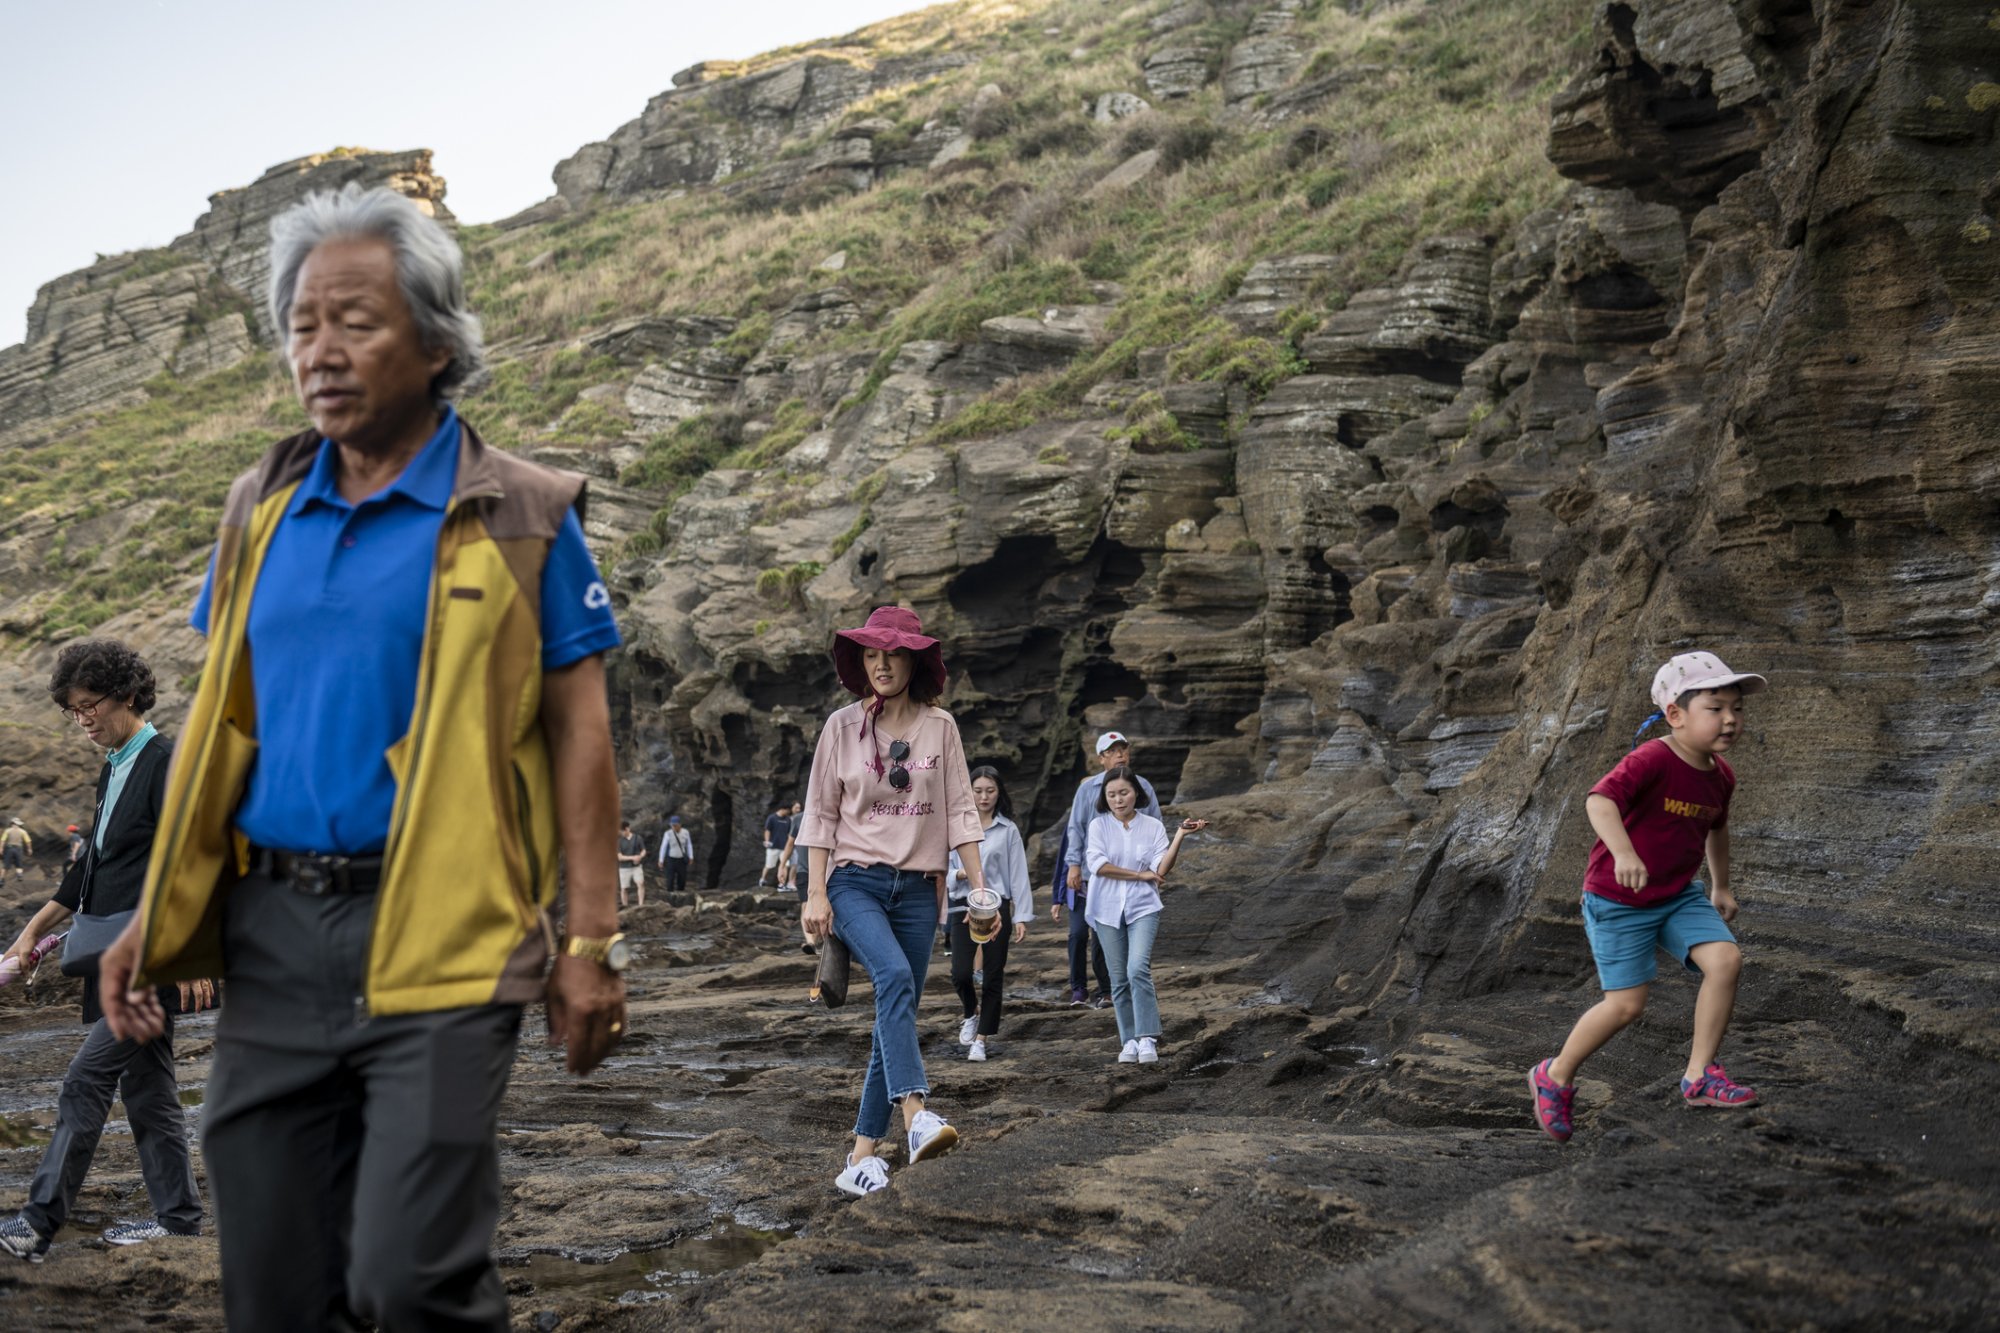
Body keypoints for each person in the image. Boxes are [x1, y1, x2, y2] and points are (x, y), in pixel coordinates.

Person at [94, 183, 628, 1331]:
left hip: (448, 932)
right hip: (272, 936)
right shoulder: (259, 509)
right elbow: (228, 720)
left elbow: (581, 731)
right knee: (274, 1293)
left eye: (356, 322)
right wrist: (156, 913)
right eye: (302, 325)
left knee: (410, 1280)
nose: (321, 352)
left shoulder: (525, 515)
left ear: (436, 344)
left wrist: (590, 942)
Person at [0, 639, 212, 1263]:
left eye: (90, 705)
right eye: (73, 710)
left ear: (126, 695)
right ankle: (178, 1220)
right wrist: (31, 931)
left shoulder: (165, 760)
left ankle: (36, 1223)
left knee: (84, 1082)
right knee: (148, 1093)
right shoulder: (114, 764)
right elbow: (90, 868)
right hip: (112, 954)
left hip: (151, 957)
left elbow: (199, 861)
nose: (82, 718)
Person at [1530, 653, 1767, 1142]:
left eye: (1737, 709)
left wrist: (1721, 884)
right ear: (1675, 715)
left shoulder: (1721, 775)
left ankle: (1699, 1075)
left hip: (1678, 895)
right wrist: (1623, 852)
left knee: (1725, 961)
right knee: (1626, 1005)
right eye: (1715, 707)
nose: (1730, 720)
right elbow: (1599, 801)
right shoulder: (1652, 759)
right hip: (1619, 897)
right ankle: (1554, 1075)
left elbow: (1716, 830)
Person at [797, 606, 983, 1197]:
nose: (881, 664)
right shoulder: (840, 727)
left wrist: (979, 890)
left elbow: (960, 810)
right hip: (855, 883)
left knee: (891, 1015)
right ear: (861, 662)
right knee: (896, 978)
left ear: (913, 661)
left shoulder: (940, 727)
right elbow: (821, 814)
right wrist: (816, 892)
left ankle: (859, 1159)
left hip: (920, 893)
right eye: (871, 654)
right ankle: (916, 1118)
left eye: (893, 654)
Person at [1085, 765, 1206, 1065]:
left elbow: (1161, 868)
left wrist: (1179, 835)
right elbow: (1098, 866)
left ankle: (1147, 1037)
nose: (1117, 799)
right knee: (1118, 978)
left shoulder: (1151, 826)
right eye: (1111, 794)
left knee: (1137, 968)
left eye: (1123, 793)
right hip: (1106, 909)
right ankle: (1129, 1041)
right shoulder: (1098, 826)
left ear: (1136, 793)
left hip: (1143, 907)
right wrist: (1139, 876)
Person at [1063, 732, 1159, 1005]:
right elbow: (1076, 828)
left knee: (1131, 930)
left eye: (1122, 749)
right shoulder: (1088, 790)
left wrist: (1156, 867)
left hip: (1136, 876)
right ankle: (1108, 989)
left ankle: (1125, 989)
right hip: (1097, 874)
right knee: (1097, 930)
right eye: (1112, 751)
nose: (1119, 755)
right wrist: (1073, 866)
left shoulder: (1143, 787)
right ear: (1101, 758)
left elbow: (1155, 826)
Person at [946, 766, 1031, 1062]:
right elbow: (940, 866)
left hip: (997, 907)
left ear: (999, 793)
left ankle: (981, 1040)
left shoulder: (1007, 829)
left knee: (993, 974)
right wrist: (960, 873)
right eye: (978, 790)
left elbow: (1018, 873)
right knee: (960, 973)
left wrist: (1021, 915)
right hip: (962, 904)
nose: (984, 796)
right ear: (968, 792)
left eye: (990, 790)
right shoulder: (955, 826)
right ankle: (971, 1012)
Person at [1049, 825, 1111, 1007]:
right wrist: (1057, 899)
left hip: (1104, 893)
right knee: (1077, 935)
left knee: (1101, 940)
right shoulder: (1074, 824)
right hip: (1079, 893)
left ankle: (1106, 991)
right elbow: (1064, 863)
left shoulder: (1109, 821)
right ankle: (1079, 989)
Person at [783, 796, 817, 954]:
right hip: (804, 870)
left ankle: (815, 940)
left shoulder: (829, 815)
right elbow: (790, 843)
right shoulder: (797, 819)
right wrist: (782, 865)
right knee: (806, 905)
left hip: (823, 870)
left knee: (814, 906)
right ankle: (810, 942)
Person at [659, 815, 694, 895]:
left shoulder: (685, 832)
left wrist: (691, 856)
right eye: (672, 825)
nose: (674, 827)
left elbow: (689, 844)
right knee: (670, 878)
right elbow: (663, 847)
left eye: (675, 825)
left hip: (681, 859)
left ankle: (680, 894)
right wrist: (661, 860)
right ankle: (670, 894)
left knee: (682, 878)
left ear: (679, 825)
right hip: (671, 858)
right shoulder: (668, 833)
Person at [617, 819, 647, 909]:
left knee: (640, 883)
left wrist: (640, 857)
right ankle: (625, 906)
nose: (621, 833)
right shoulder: (619, 841)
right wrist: (633, 857)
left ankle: (640, 905)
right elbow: (619, 857)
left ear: (627, 829)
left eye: (622, 831)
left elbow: (644, 850)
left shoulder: (638, 838)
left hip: (636, 867)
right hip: (624, 868)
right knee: (624, 888)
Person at [760, 803, 790, 888]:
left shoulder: (788, 819)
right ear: (783, 809)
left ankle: (782, 883)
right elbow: (767, 830)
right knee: (769, 865)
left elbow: (789, 833)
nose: (788, 812)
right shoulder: (772, 818)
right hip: (773, 846)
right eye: (788, 810)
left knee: (785, 865)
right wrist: (767, 841)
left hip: (784, 847)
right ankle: (762, 879)